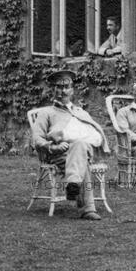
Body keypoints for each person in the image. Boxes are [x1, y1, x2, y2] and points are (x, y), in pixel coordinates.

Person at [31, 70, 110, 221]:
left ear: (72, 90)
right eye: (58, 87)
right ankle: (86, 207)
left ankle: (73, 184)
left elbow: (95, 135)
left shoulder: (81, 112)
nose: (63, 91)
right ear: (53, 90)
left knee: (80, 145)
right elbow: (37, 139)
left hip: (83, 151)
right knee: (81, 160)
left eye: (66, 87)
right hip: (60, 155)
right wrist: (52, 147)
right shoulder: (47, 112)